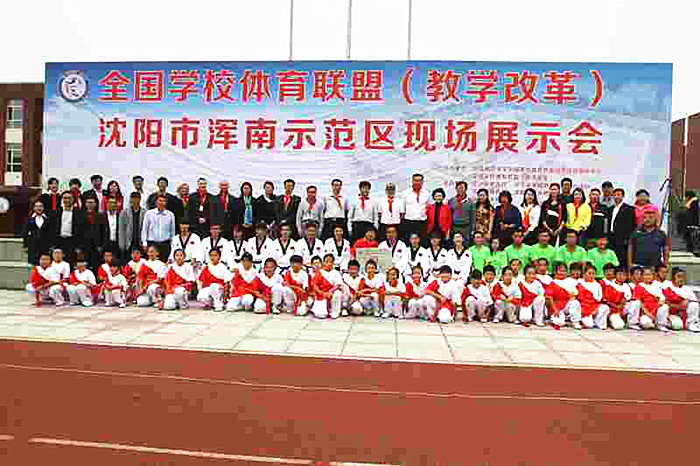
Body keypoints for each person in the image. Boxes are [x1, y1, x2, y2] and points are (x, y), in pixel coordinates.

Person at [601, 264, 641, 331]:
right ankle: (611, 321)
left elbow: (629, 299)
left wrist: (623, 303)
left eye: (624, 275)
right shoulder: (610, 285)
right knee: (619, 326)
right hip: (613, 310)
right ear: (615, 275)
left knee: (636, 303)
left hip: (623, 309)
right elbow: (607, 301)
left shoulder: (627, 286)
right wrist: (616, 306)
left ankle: (632, 323)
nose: (621, 277)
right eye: (619, 274)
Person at [633, 267, 670, 332]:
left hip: (656, 311)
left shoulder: (656, 285)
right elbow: (639, 302)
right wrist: (648, 313)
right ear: (642, 276)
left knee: (665, 306)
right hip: (645, 313)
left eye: (649, 275)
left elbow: (662, 298)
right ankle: (638, 323)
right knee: (647, 324)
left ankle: (661, 325)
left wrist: (661, 302)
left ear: (653, 276)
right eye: (646, 275)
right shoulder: (639, 286)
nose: (648, 277)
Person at [663, 268, 700, 332]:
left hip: (684, 314)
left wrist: (687, 302)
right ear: (673, 277)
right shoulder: (666, 286)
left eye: (683, 277)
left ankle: (692, 324)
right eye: (679, 276)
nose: (681, 279)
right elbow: (665, 303)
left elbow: (694, 303)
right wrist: (678, 306)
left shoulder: (687, 289)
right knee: (677, 326)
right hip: (671, 314)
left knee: (694, 304)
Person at [141, 194, 176, 263]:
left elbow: (172, 231)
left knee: (164, 264)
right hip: (152, 243)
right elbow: (144, 229)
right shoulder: (149, 213)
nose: (161, 203)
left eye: (163, 201)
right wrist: (144, 243)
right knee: (151, 263)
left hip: (165, 244)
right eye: (160, 201)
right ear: (156, 202)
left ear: (166, 203)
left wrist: (172, 244)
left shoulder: (170, 214)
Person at [52, 191, 84, 265]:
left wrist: (79, 247)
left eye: (69, 198)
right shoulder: (56, 212)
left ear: (73, 200)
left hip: (72, 242)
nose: (67, 200)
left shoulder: (78, 213)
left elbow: (81, 230)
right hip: (58, 241)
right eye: (65, 198)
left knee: (70, 264)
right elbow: (52, 229)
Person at [546, 262, 581, 328]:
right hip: (556, 307)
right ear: (556, 272)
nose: (562, 273)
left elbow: (575, 294)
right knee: (560, 323)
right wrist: (555, 309)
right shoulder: (552, 282)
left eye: (564, 271)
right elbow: (549, 297)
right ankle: (553, 319)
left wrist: (571, 298)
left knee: (575, 303)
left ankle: (575, 322)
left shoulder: (569, 281)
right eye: (560, 271)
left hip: (566, 306)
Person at [576, 265, 610, 329]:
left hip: (594, 306)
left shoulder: (597, 285)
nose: (591, 275)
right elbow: (577, 298)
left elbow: (599, 299)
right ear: (584, 274)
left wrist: (595, 309)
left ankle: (598, 322)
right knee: (589, 325)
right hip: (583, 307)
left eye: (593, 274)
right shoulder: (579, 282)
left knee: (605, 307)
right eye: (589, 273)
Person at [310, 254, 344, 319]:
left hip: (332, 294)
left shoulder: (336, 273)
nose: (329, 264)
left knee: (338, 293)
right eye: (327, 261)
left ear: (333, 263)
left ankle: (334, 311)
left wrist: (330, 292)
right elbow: (315, 286)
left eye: (331, 262)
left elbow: (339, 285)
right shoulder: (319, 272)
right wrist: (322, 293)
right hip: (322, 295)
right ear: (323, 263)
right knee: (320, 315)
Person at [610, 187, 636, 265]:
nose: (616, 197)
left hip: (623, 240)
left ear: (623, 196)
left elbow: (631, 225)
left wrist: (628, 239)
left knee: (622, 260)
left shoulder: (629, 209)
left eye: (618, 195)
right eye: (614, 195)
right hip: (611, 239)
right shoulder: (610, 208)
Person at [82, 196, 108, 272]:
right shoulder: (81, 215)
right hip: (84, 246)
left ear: (95, 204)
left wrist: (102, 246)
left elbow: (104, 232)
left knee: (96, 267)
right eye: (88, 202)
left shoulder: (101, 216)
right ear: (85, 204)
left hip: (97, 247)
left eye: (92, 202)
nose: (90, 204)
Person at [23, 200, 53, 265]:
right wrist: (26, 244)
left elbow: (51, 233)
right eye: (37, 206)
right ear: (34, 208)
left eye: (40, 206)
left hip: (45, 247)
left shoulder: (48, 219)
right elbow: (25, 233)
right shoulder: (29, 219)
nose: (39, 208)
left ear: (43, 208)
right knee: (33, 265)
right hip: (33, 247)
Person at [403, 173, 429, 244]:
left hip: (422, 222)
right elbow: (403, 208)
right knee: (408, 242)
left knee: (422, 242)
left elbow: (429, 207)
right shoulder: (405, 193)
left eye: (419, 181)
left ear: (422, 182)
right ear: (412, 181)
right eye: (415, 180)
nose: (417, 182)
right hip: (409, 222)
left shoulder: (426, 193)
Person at [118, 192, 145, 260]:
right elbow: (121, 229)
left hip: (140, 243)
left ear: (140, 199)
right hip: (129, 244)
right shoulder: (124, 212)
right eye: (133, 198)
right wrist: (122, 244)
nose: (135, 200)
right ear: (130, 199)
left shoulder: (144, 212)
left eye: (137, 198)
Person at [104, 197, 121, 262]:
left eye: (114, 203)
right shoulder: (102, 216)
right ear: (107, 204)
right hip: (106, 243)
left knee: (116, 263)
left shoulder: (120, 215)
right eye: (110, 202)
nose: (112, 204)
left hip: (117, 244)